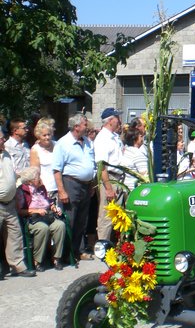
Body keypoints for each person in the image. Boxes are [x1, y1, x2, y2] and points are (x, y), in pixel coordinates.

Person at [53, 113, 95, 262]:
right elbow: (57, 169)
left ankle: (78, 250)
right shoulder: (63, 143)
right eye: (85, 124)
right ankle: (66, 253)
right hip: (71, 184)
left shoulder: (87, 142)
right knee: (70, 219)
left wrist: (91, 184)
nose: (87, 126)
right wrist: (61, 190)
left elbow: (91, 163)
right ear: (76, 127)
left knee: (82, 221)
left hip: (85, 186)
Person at [0, 129, 36, 277]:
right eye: (1, 138)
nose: (3, 140)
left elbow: (12, 175)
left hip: (9, 203)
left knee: (15, 235)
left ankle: (18, 266)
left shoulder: (6, 155)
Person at [16, 167, 66, 271]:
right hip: (32, 219)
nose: (40, 179)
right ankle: (37, 261)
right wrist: (36, 211)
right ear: (30, 181)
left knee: (60, 225)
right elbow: (20, 211)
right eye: (38, 177)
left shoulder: (41, 188)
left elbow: (48, 201)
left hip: (48, 216)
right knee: (43, 228)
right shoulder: (22, 191)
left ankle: (56, 258)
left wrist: (54, 208)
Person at [93, 108, 124, 242]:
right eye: (117, 118)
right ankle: (103, 244)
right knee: (106, 215)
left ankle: (115, 244)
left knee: (118, 214)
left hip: (118, 178)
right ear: (111, 120)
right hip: (109, 178)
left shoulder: (115, 137)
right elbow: (102, 166)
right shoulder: (102, 138)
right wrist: (108, 188)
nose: (120, 121)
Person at [29, 121, 57, 200]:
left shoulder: (57, 145)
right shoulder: (35, 149)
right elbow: (35, 173)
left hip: (60, 187)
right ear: (38, 136)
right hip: (46, 190)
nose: (47, 137)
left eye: (49, 134)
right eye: (44, 135)